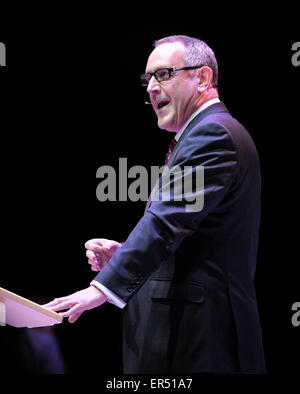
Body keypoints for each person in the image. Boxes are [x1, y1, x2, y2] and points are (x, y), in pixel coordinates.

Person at [45, 35, 266, 374]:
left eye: (163, 74)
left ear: (203, 79)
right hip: (190, 334)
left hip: (201, 339)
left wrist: (100, 289)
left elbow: (164, 224)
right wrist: (124, 254)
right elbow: (189, 237)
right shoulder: (202, 135)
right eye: (147, 79)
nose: (151, 87)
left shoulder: (214, 135)